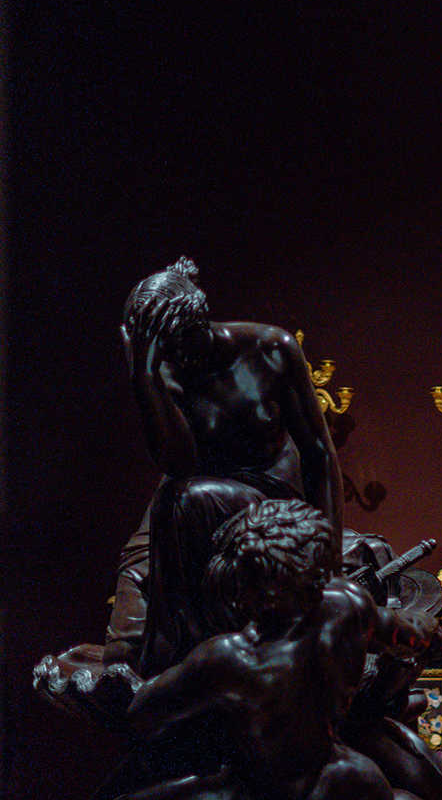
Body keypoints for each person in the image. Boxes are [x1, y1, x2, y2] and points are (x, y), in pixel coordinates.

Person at [64, 499, 442, 800]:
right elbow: (405, 631)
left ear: (250, 585)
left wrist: (108, 680)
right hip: (355, 781)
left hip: (278, 799)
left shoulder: (232, 658)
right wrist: (426, 635)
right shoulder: (347, 603)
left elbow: (143, 714)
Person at [108, 258, 343, 683]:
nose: (174, 359)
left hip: (268, 495)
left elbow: (320, 457)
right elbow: (178, 463)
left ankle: (174, 662)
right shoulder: (163, 370)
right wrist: (144, 375)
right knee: (138, 569)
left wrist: (328, 560)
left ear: (199, 326)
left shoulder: (271, 349)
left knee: (182, 503)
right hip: (191, 489)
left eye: (177, 347)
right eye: (162, 351)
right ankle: (124, 668)